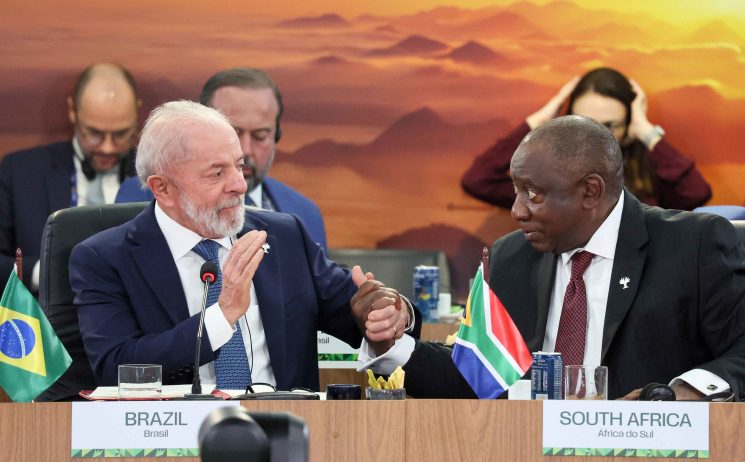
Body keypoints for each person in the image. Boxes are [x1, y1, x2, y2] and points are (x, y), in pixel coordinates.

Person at [361, 116, 745, 401]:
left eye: (533, 194)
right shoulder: (510, 256)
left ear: (590, 191)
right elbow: (476, 374)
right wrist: (391, 345)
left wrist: (681, 394)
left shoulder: (692, 244)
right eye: (516, 191)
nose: (517, 211)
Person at [70, 100, 412, 390]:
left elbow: (357, 312)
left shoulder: (283, 236)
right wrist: (221, 316)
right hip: (176, 434)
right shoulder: (104, 259)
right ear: (163, 189)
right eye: (217, 173)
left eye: (238, 166)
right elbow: (116, 368)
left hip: (287, 427)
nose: (239, 185)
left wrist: (387, 313)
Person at [116, 67, 327, 249]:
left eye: (260, 136)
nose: (245, 149)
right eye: (233, 132)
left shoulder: (305, 212)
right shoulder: (142, 196)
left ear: (276, 136)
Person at [462, 67, 711, 211]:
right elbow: (479, 180)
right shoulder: (548, 180)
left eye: (610, 125)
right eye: (584, 122)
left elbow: (696, 193)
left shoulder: (647, 176)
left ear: (627, 128)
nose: (595, 135)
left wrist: (645, 130)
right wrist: (540, 122)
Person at [0, 63, 139, 289]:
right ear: (73, 111)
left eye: (121, 134)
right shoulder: (20, 172)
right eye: (94, 133)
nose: (108, 147)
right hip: (42, 308)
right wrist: (47, 274)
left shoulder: (155, 175)